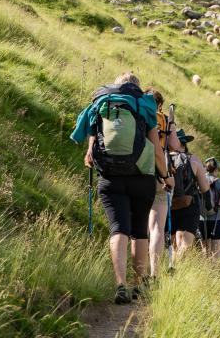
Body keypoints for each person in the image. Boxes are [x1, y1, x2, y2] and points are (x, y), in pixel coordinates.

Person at [71, 72, 166, 305]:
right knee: (139, 230)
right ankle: (139, 284)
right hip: (141, 176)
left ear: (116, 85)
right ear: (138, 87)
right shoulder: (144, 104)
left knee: (118, 228)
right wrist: (166, 175)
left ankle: (120, 284)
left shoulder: (102, 103)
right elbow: (155, 149)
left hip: (110, 178)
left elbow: (89, 153)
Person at [145, 88, 180, 279]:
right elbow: (174, 146)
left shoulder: (137, 113)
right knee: (157, 226)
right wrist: (171, 125)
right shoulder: (165, 119)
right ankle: (154, 272)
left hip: (138, 172)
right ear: (160, 103)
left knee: (139, 225)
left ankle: (138, 272)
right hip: (160, 173)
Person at [170, 129, 209, 257]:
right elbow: (204, 188)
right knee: (185, 244)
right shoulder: (193, 160)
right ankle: (178, 270)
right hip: (189, 205)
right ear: (184, 143)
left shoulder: (163, 159)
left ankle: (170, 269)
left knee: (173, 244)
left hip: (168, 204)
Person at [199, 157, 220, 258]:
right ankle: (214, 271)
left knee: (205, 250)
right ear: (216, 169)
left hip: (202, 219)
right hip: (216, 220)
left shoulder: (200, 180)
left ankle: (205, 272)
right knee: (216, 253)